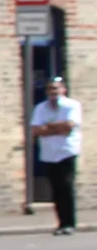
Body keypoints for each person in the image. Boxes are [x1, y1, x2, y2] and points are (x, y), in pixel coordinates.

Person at [31, 75, 81, 235]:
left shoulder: (72, 105)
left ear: (63, 89)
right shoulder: (40, 108)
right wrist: (56, 128)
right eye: (50, 89)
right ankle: (61, 223)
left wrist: (48, 128)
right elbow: (36, 130)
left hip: (66, 151)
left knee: (66, 186)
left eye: (56, 88)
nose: (53, 92)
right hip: (49, 153)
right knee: (56, 189)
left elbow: (69, 126)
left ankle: (70, 223)